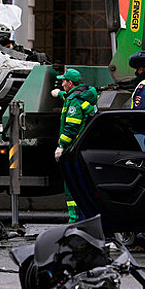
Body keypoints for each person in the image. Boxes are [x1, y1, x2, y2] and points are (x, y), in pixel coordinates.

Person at [51, 68, 98, 223]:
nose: (62, 83)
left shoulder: (74, 101)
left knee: (72, 188)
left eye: (64, 81)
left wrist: (61, 146)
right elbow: (73, 100)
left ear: (70, 83)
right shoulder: (82, 96)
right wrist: (60, 94)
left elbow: (72, 126)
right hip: (84, 148)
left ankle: (75, 222)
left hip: (73, 149)